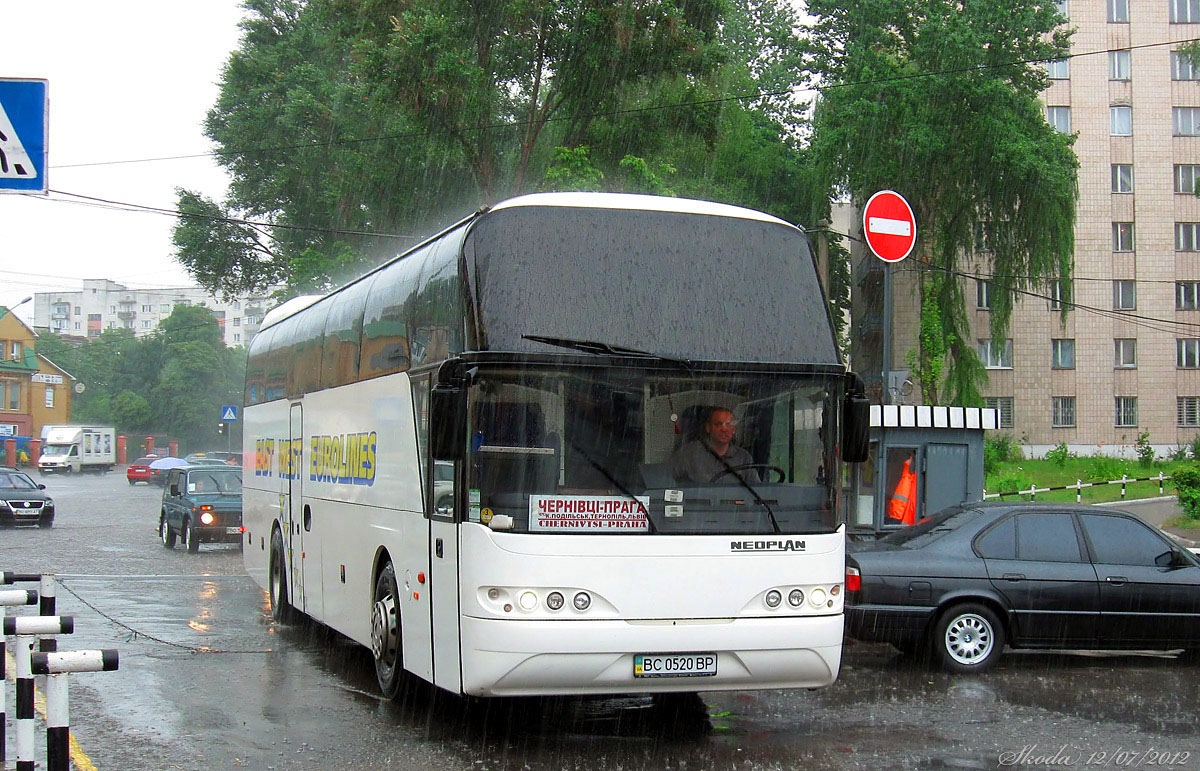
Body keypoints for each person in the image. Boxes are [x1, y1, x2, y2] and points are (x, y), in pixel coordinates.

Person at [668, 407, 760, 484]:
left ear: (733, 430)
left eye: (728, 425)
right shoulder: (688, 453)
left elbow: (757, 492)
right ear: (708, 428)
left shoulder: (743, 457)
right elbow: (668, 482)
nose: (724, 429)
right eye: (718, 424)